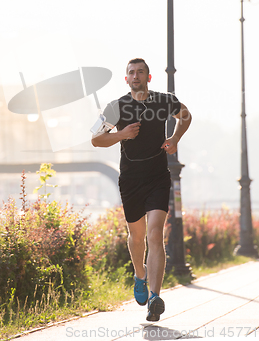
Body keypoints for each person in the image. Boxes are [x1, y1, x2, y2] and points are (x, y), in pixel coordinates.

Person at [91, 58, 192, 321]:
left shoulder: (164, 100)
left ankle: (155, 298)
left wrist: (175, 137)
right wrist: (122, 134)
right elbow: (96, 139)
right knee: (137, 237)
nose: (135, 76)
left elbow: (186, 115)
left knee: (155, 233)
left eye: (140, 72)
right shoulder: (117, 107)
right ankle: (140, 274)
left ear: (149, 77)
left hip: (158, 177)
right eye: (131, 72)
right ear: (126, 79)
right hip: (131, 180)